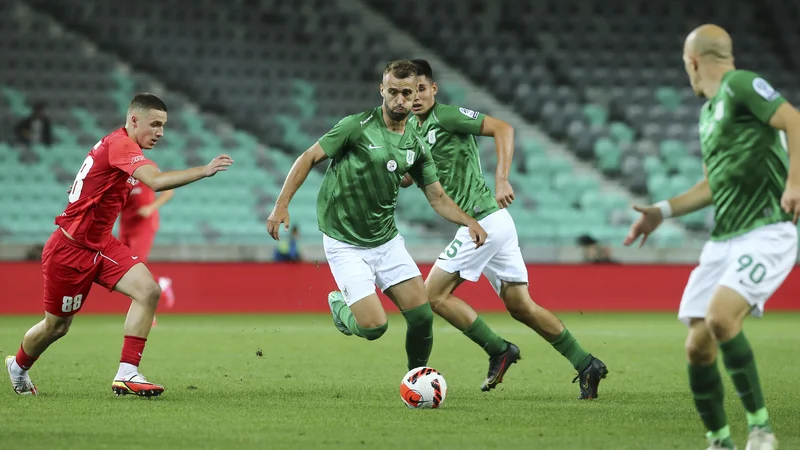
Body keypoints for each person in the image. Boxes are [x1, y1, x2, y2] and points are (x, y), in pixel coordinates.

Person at [625, 25, 800, 450]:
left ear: (692, 61)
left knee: (722, 319)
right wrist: (661, 211)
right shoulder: (708, 114)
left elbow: (794, 120)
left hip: (766, 229)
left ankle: (760, 430)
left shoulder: (740, 84)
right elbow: (710, 186)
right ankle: (719, 440)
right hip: (724, 239)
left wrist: (794, 183)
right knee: (698, 348)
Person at [402, 59, 608, 398]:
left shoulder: (447, 116)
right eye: (412, 92)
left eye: (423, 88)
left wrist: (501, 180)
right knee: (521, 306)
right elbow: (412, 176)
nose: (417, 97)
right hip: (493, 223)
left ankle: (498, 350)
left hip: (481, 220)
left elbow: (503, 128)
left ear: (434, 89)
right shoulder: (415, 131)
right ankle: (586, 363)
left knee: (432, 295)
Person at [5, 93, 233, 397]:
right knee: (56, 327)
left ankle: (128, 372)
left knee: (149, 290)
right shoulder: (121, 145)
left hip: (102, 246)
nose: (160, 132)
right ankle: (18, 366)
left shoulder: (119, 147)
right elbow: (156, 180)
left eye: (163, 126)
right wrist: (203, 170)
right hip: (70, 250)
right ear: (134, 120)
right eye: (154, 124)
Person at [267, 60, 487, 371]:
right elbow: (309, 157)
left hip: (385, 241)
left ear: (416, 95)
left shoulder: (415, 143)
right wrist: (281, 204)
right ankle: (339, 306)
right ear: (381, 89)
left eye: (407, 93)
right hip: (345, 242)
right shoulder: (355, 127)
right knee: (373, 328)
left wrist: (469, 221)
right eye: (393, 92)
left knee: (423, 317)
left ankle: (416, 377)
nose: (400, 100)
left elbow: (436, 195)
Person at [119, 183, 177, 324]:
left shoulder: (146, 168)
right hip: (126, 223)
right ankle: (160, 282)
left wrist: (151, 207)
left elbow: (169, 191)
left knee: (137, 267)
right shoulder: (121, 173)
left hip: (143, 225)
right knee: (125, 268)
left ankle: (147, 314)